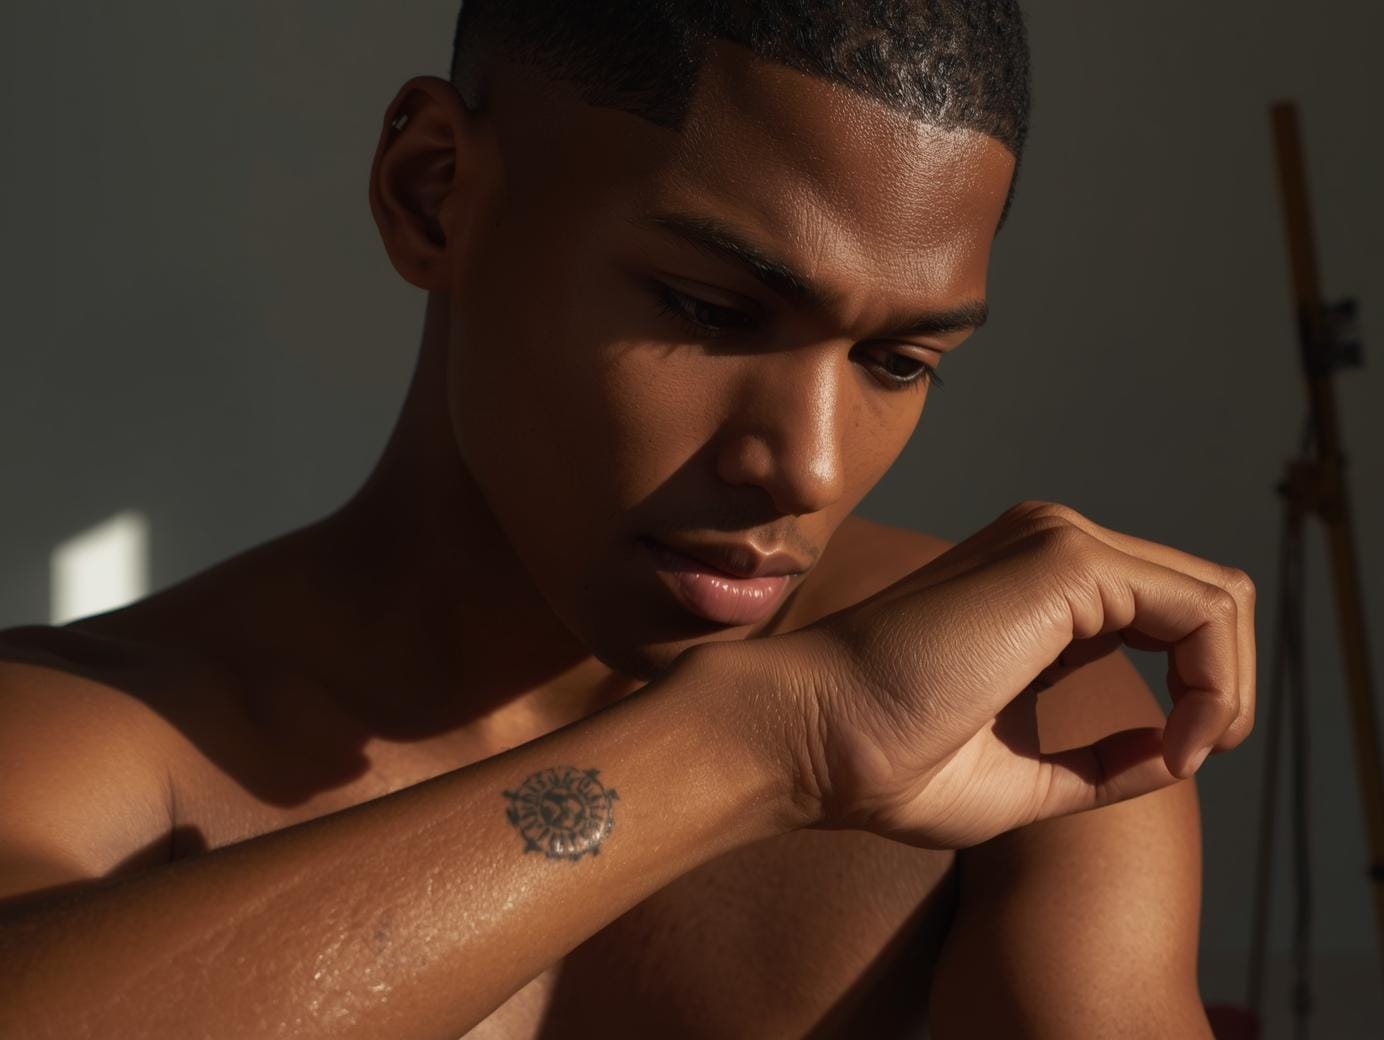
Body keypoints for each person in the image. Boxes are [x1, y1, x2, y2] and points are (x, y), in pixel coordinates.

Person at [0, 3, 1255, 1037]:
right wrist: (759, 749)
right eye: (706, 308)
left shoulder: (1026, 721)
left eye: (897, 359)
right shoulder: (70, 736)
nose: (804, 465)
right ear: (433, 192)